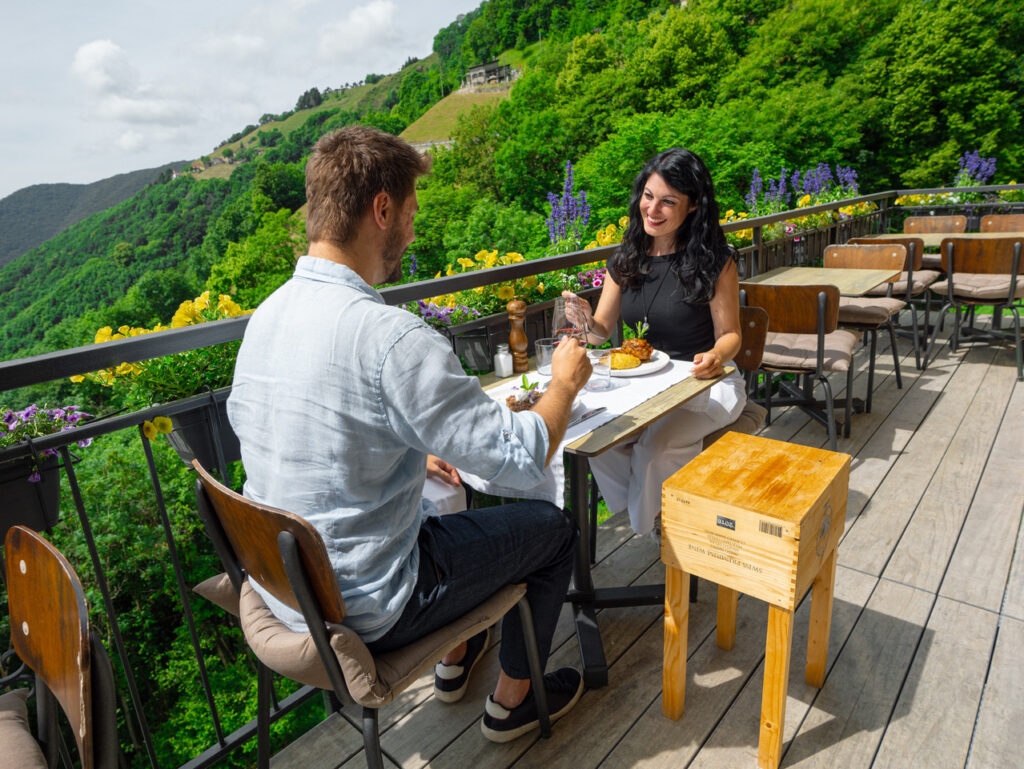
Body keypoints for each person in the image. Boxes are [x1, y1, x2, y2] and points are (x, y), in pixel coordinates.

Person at [228, 125, 592, 742]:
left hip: (285, 593)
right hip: (368, 607)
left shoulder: (266, 319)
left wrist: (411, 450)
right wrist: (564, 384)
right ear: (382, 208)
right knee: (552, 529)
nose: (414, 231)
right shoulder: (391, 338)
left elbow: (301, 438)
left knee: (454, 514)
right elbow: (521, 458)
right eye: (413, 213)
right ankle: (512, 703)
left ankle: (456, 664)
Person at [562, 147, 745, 536]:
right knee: (597, 438)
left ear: (693, 207)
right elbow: (600, 332)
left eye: (668, 202)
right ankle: (649, 514)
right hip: (645, 389)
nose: (653, 209)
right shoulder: (626, 259)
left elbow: (731, 336)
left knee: (655, 447)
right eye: (648, 196)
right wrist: (583, 319)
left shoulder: (715, 261)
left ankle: (652, 529)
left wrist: (715, 355)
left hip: (706, 384)